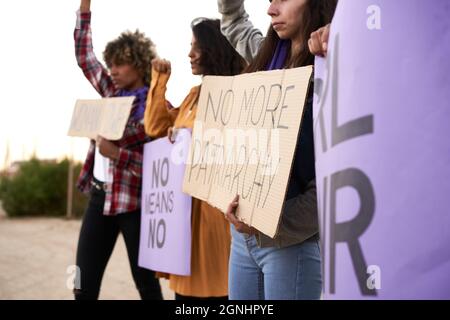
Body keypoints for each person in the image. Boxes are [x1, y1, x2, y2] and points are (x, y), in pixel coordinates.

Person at [218, 0, 337, 299]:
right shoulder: (267, 55)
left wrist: (347, 36)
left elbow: (333, 179)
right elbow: (233, 20)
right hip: (243, 239)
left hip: (291, 242)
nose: (271, 9)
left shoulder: (337, 62)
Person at [144, 18, 246, 300]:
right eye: (190, 47)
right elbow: (154, 128)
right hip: (184, 213)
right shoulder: (193, 96)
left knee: (219, 292)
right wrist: (159, 82)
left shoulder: (235, 91)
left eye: (197, 47)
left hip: (215, 215)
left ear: (215, 48)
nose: (190, 54)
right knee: (185, 296)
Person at [73, 0, 162, 300]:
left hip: (134, 204)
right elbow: (85, 57)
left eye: (119, 64)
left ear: (138, 64)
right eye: (110, 63)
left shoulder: (154, 108)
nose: (112, 70)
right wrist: (84, 8)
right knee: (82, 283)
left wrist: (117, 154)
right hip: (99, 198)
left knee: (147, 286)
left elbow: (157, 166)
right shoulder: (111, 93)